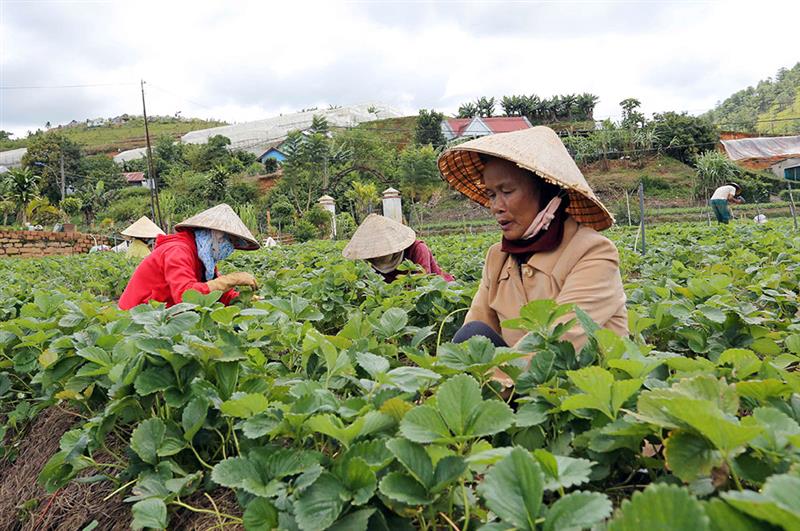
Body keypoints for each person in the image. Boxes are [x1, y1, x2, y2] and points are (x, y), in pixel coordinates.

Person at [438, 126, 628, 363]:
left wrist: (495, 381)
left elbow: (561, 342)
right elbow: (475, 334)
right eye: (491, 194)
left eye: (506, 191)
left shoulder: (593, 253)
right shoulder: (497, 258)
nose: (496, 206)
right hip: (517, 383)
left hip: (575, 385)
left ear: (547, 192)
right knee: (471, 335)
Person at [119, 204, 260, 310]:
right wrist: (232, 279)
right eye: (230, 241)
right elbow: (185, 296)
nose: (230, 248)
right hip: (137, 319)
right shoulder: (178, 251)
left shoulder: (203, 257)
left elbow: (217, 292)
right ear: (215, 235)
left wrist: (247, 300)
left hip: (163, 314)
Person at [342, 213, 454, 283]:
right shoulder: (369, 261)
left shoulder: (417, 249)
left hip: (440, 292)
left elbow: (423, 284)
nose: (377, 257)